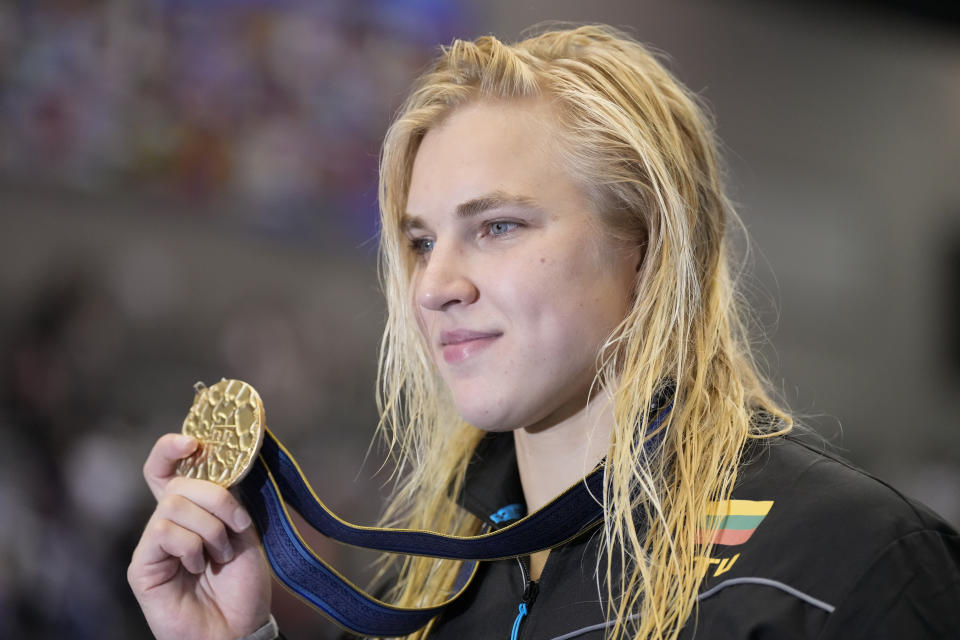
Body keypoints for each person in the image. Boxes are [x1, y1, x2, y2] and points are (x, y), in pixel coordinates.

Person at [128, 24, 960, 640]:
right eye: (421, 241)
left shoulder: (846, 565)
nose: (436, 287)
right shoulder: (423, 594)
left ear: (647, 246)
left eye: (498, 227)